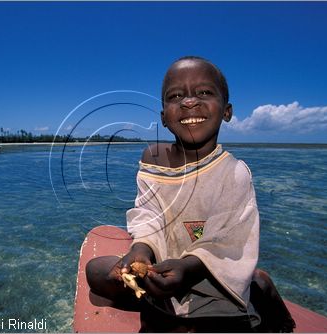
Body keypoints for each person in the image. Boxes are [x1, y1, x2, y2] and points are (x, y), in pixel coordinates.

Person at [86, 56, 295, 332]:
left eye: (205, 93)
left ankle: (259, 288)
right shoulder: (153, 158)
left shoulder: (234, 172)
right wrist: (141, 250)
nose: (189, 102)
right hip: (161, 269)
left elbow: (226, 241)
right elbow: (148, 213)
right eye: (175, 96)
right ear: (163, 117)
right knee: (97, 271)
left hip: (207, 272)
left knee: (200, 320)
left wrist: (188, 269)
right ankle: (251, 284)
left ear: (227, 111)